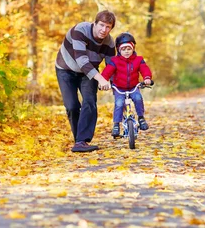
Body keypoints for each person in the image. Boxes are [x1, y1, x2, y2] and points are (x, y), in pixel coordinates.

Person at [55, 10, 116, 152]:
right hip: (66, 69)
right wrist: (101, 79)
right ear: (94, 23)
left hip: (89, 73)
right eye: (101, 25)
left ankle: (82, 141)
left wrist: (117, 86)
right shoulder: (80, 31)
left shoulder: (109, 42)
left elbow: (111, 66)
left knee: (89, 101)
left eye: (108, 27)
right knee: (72, 106)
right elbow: (82, 61)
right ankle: (79, 141)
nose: (104, 30)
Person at [101, 32, 152, 138]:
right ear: (119, 50)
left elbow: (144, 69)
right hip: (119, 88)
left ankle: (141, 118)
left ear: (133, 48)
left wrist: (147, 78)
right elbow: (107, 72)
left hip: (133, 87)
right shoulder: (115, 61)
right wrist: (103, 81)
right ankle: (116, 125)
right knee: (119, 103)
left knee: (138, 98)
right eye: (123, 49)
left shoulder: (138, 60)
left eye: (129, 48)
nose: (126, 52)